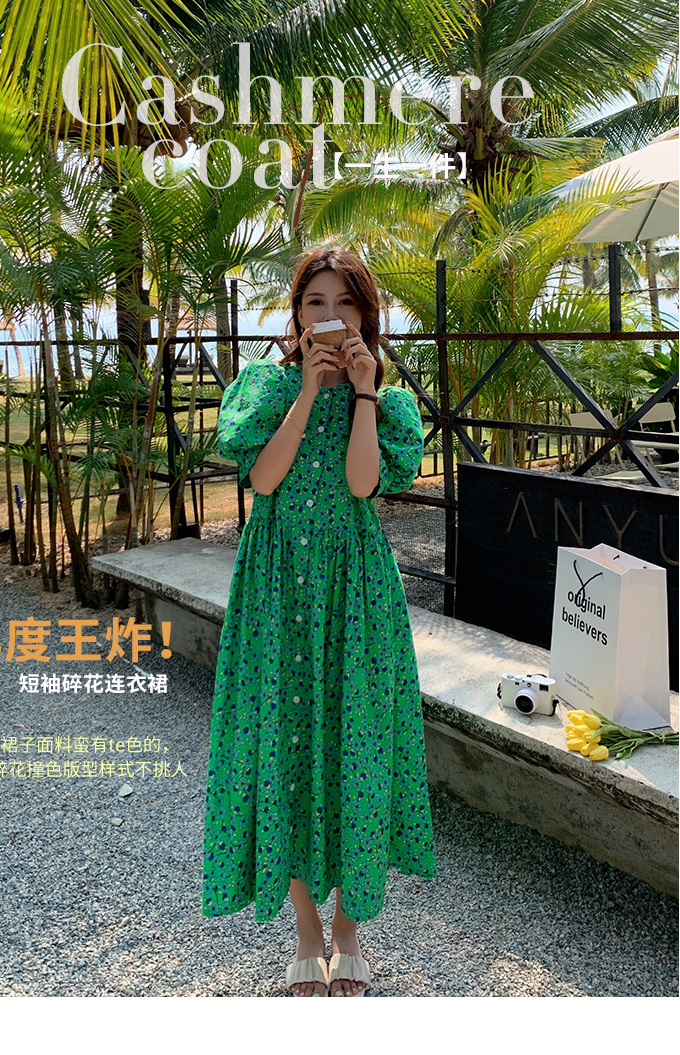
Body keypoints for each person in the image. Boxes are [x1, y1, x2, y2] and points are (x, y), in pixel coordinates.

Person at [202, 246, 436, 997]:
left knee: (355, 745)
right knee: (285, 745)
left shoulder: (388, 404)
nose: (329, 316)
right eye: (314, 302)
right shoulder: (265, 388)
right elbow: (263, 478)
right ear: (297, 313)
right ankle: (307, 930)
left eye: (344, 302)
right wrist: (306, 391)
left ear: (366, 313)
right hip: (277, 593)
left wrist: (363, 393)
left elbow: (363, 484)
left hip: (354, 593)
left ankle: (348, 929)